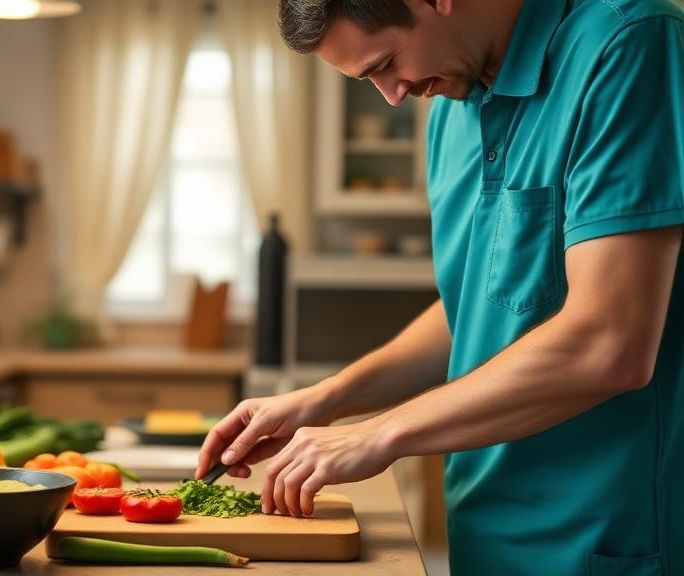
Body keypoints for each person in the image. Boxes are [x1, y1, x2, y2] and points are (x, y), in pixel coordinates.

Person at [195, 0, 684, 574]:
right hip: (482, 535)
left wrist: (379, 433)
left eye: (385, 63)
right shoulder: (450, 102)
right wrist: (324, 400)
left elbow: (610, 345)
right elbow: (479, 307)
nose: (391, 94)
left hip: (602, 541)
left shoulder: (628, 43)